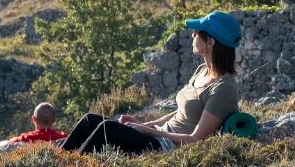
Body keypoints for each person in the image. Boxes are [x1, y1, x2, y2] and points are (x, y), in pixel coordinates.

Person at [62, 11, 242, 154]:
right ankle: (61, 161)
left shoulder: (223, 89)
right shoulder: (202, 71)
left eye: (198, 32)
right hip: (159, 134)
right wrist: (144, 125)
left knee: (107, 129)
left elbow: (196, 139)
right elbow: (181, 113)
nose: (193, 33)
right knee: (89, 120)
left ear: (210, 42)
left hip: (166, 146)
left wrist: (150, 132)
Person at [1, 102, 67, 148]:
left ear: (34, 119)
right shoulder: (64, 138)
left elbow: (6, 145)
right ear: (54, 120)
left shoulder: (24, 139)